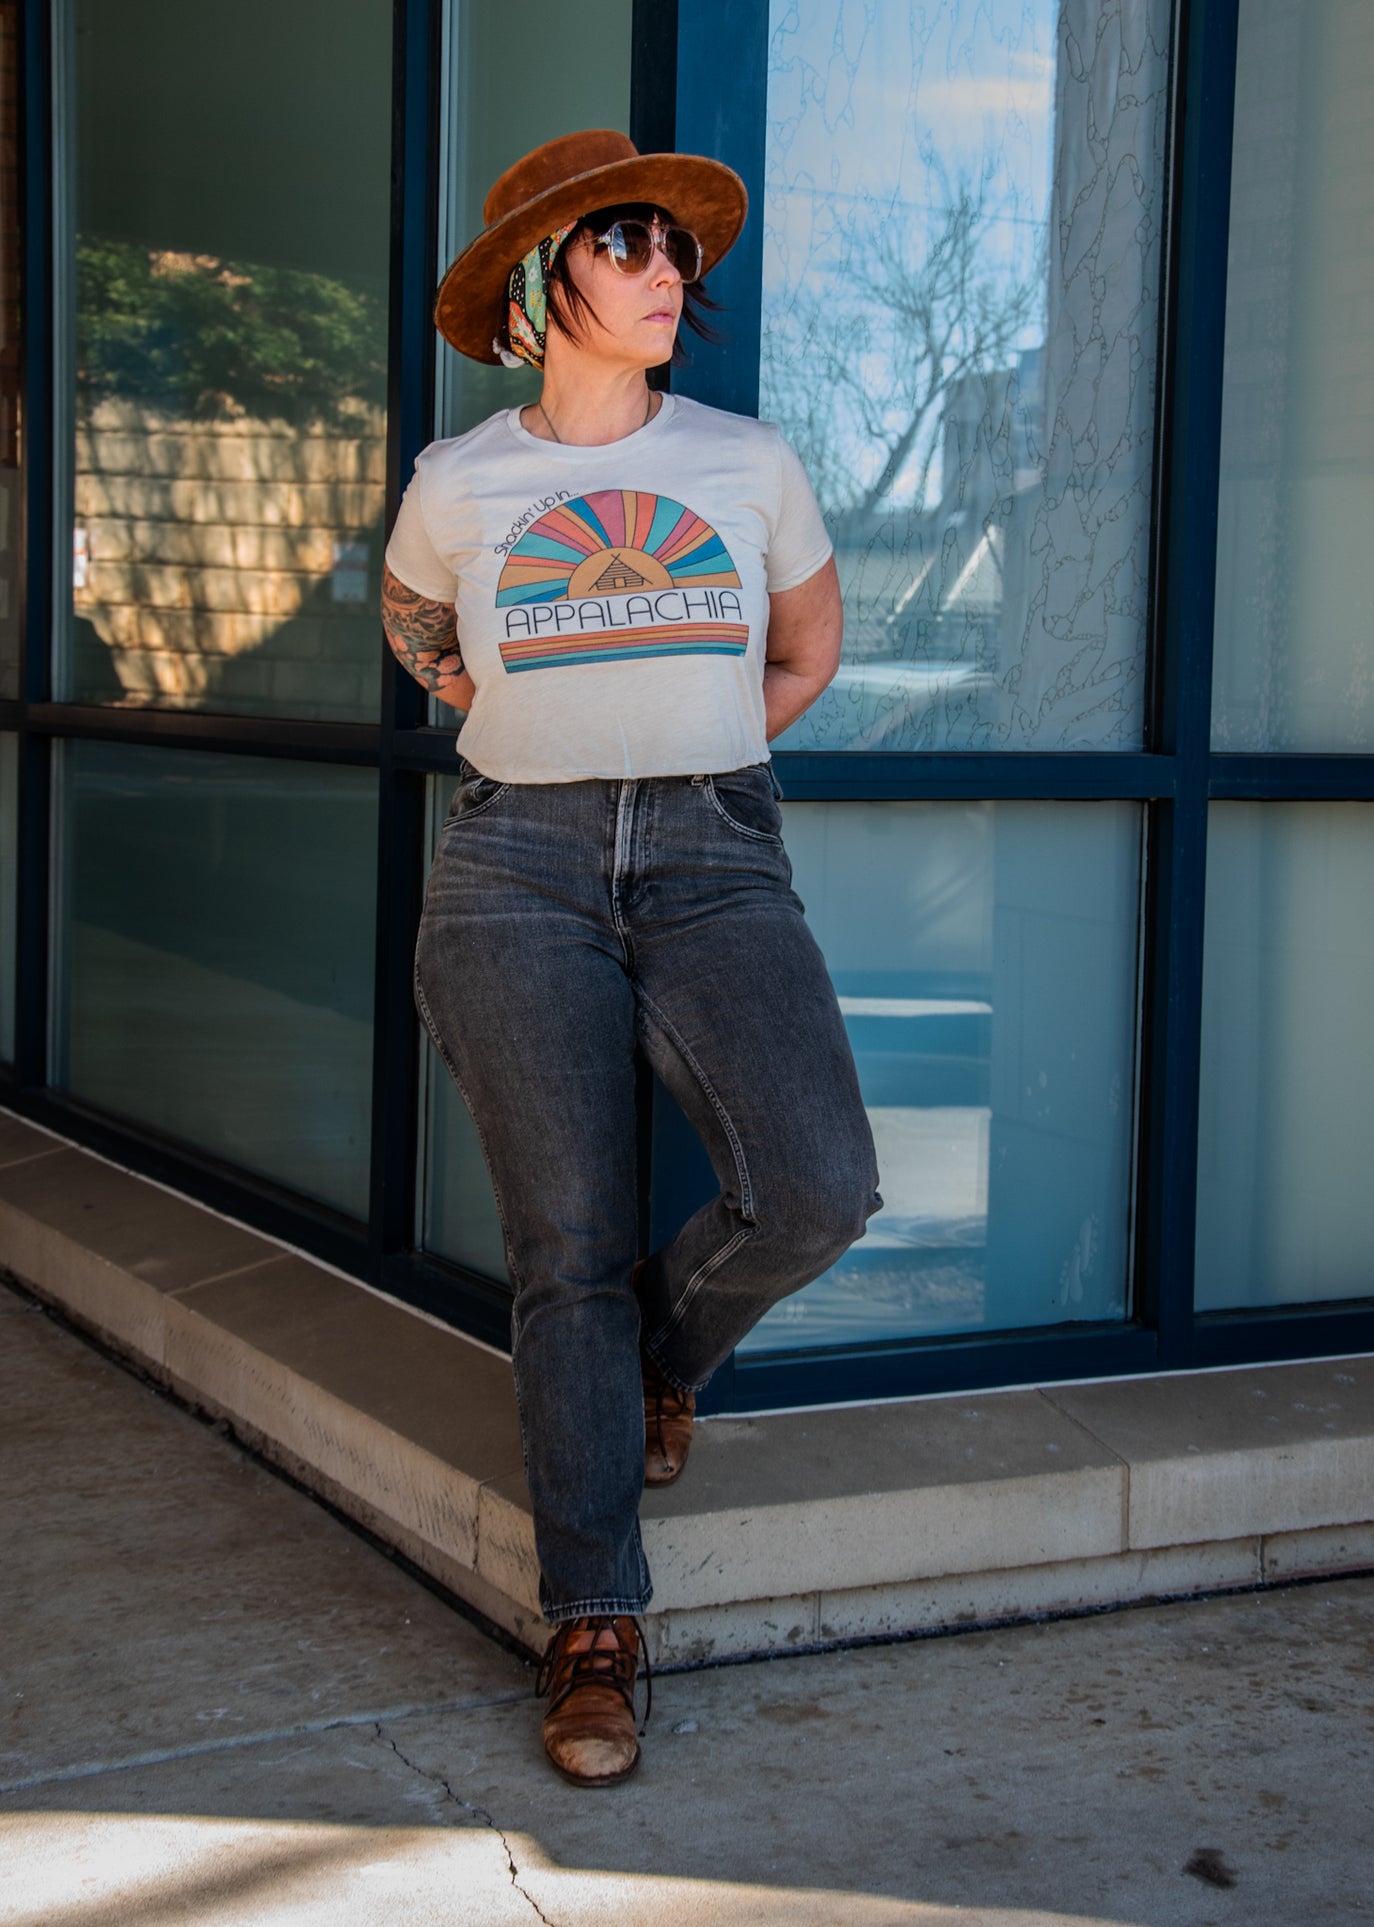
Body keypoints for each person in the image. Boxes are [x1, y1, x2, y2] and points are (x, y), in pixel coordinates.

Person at [381, 129, 880, 1788]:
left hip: (710, 849)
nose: (673, 275)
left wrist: (701, 753)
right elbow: (416, 634)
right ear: (542, 282)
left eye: (678, 252)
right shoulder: (459, 483)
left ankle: (662, 1365)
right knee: (564, 1248)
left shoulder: (745, 460)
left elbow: (805, 647)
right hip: (512, 863)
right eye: (632, 245)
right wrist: (510, 715)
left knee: (812, 1186)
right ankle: (592, 1621)